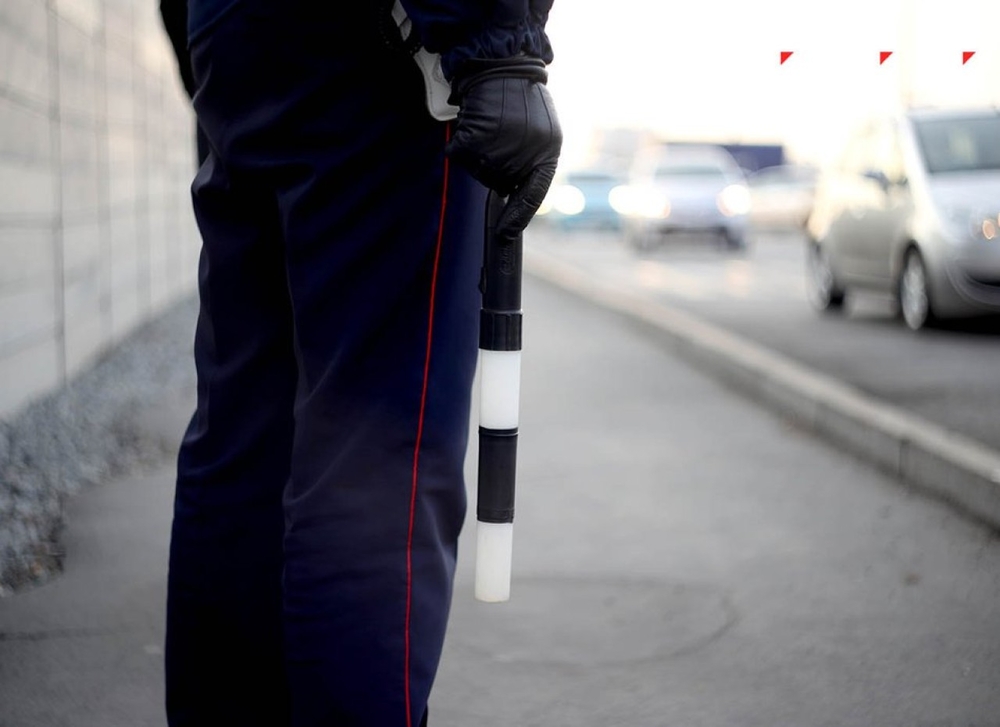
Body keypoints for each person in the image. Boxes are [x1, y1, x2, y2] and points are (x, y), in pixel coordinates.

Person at [157, 0, 561, 725]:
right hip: (384, 51)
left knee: (244, 445)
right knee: (376, 464)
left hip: (231, 40)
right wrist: (496, 43)